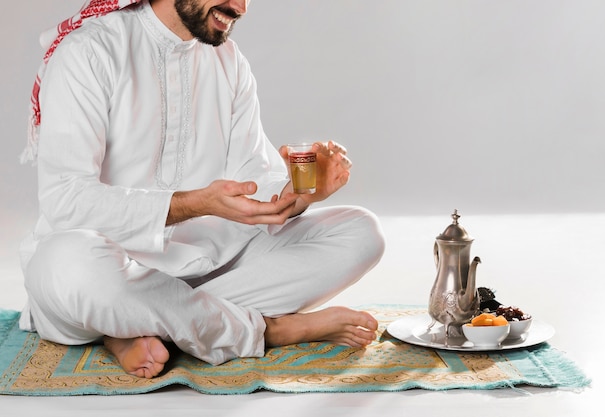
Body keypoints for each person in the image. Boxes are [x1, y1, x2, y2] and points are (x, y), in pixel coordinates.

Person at [19, 0, 385, 379]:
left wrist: (300, 193)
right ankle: (267, 330)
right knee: (70, 267)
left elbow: (254, 178)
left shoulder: (228, 58)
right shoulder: (89, 51)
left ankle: (137, 324)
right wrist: (195, 204)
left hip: (211, 267)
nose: (240, 6)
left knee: (361, 232)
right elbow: (67, 201)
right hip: (110, 269)